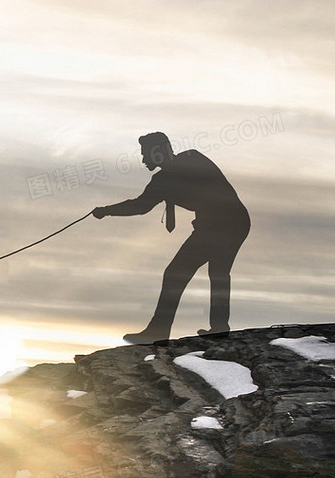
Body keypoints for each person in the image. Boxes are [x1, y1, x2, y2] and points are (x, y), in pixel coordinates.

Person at [92, 132, 250, 344]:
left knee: (179, 273)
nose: (143, 159)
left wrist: (106, 211)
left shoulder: (190, 161)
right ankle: (218, 329)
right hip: (231, 222)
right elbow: (142, 205)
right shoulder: (164, 179)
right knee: (217, 273)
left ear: (157, 153)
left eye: (145, 154)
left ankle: (160, 331)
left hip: (223, 224)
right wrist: (107, 210)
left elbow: (142, 206)